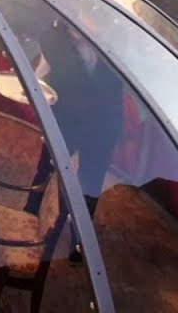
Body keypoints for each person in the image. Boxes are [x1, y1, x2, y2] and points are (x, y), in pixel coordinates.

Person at [30, 15, 125, 221]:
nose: (83, 26)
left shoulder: (115, 46)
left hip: (102, 125)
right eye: (79, 19)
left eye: (92, 20)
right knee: (46, 167)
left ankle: (81, 229)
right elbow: (40, 79)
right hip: (66, 120)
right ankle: (31, 210)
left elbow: (119, 87)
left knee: (91, 183)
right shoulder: (54, 40)